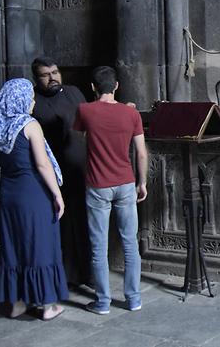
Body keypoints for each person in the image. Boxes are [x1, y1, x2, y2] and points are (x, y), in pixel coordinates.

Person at [0, 78, 68, 320]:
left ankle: (17, 303)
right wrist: (57, 193)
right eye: (30, 97)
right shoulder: (30, 125)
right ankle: (48, 305)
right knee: (40, 245)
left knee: (14, 247)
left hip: (9, 195)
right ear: (19, 99)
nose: (32, 102)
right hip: (33, 194)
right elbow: (42, 164)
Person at [74, 66, 148, 314]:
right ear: (116, 86)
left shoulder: (84, 110)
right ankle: (134, 299)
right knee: (130, 244)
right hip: (126, 183)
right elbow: (140, 152)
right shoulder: (131, 114)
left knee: (99, 246)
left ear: (92, 87)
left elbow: (82, 140)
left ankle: (103, 302)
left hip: (97, 185)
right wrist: (142, 182)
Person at [31, 56, 91, 287]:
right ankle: (65, 276)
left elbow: (89, 120)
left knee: (85, 222)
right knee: (61, 225)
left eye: (55, 72)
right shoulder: (33, 100)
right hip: (53, 174)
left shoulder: (73, 92)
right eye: (46, 75)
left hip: (80, 169)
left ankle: (88, 273)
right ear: (37, 78)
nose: (52, 77)